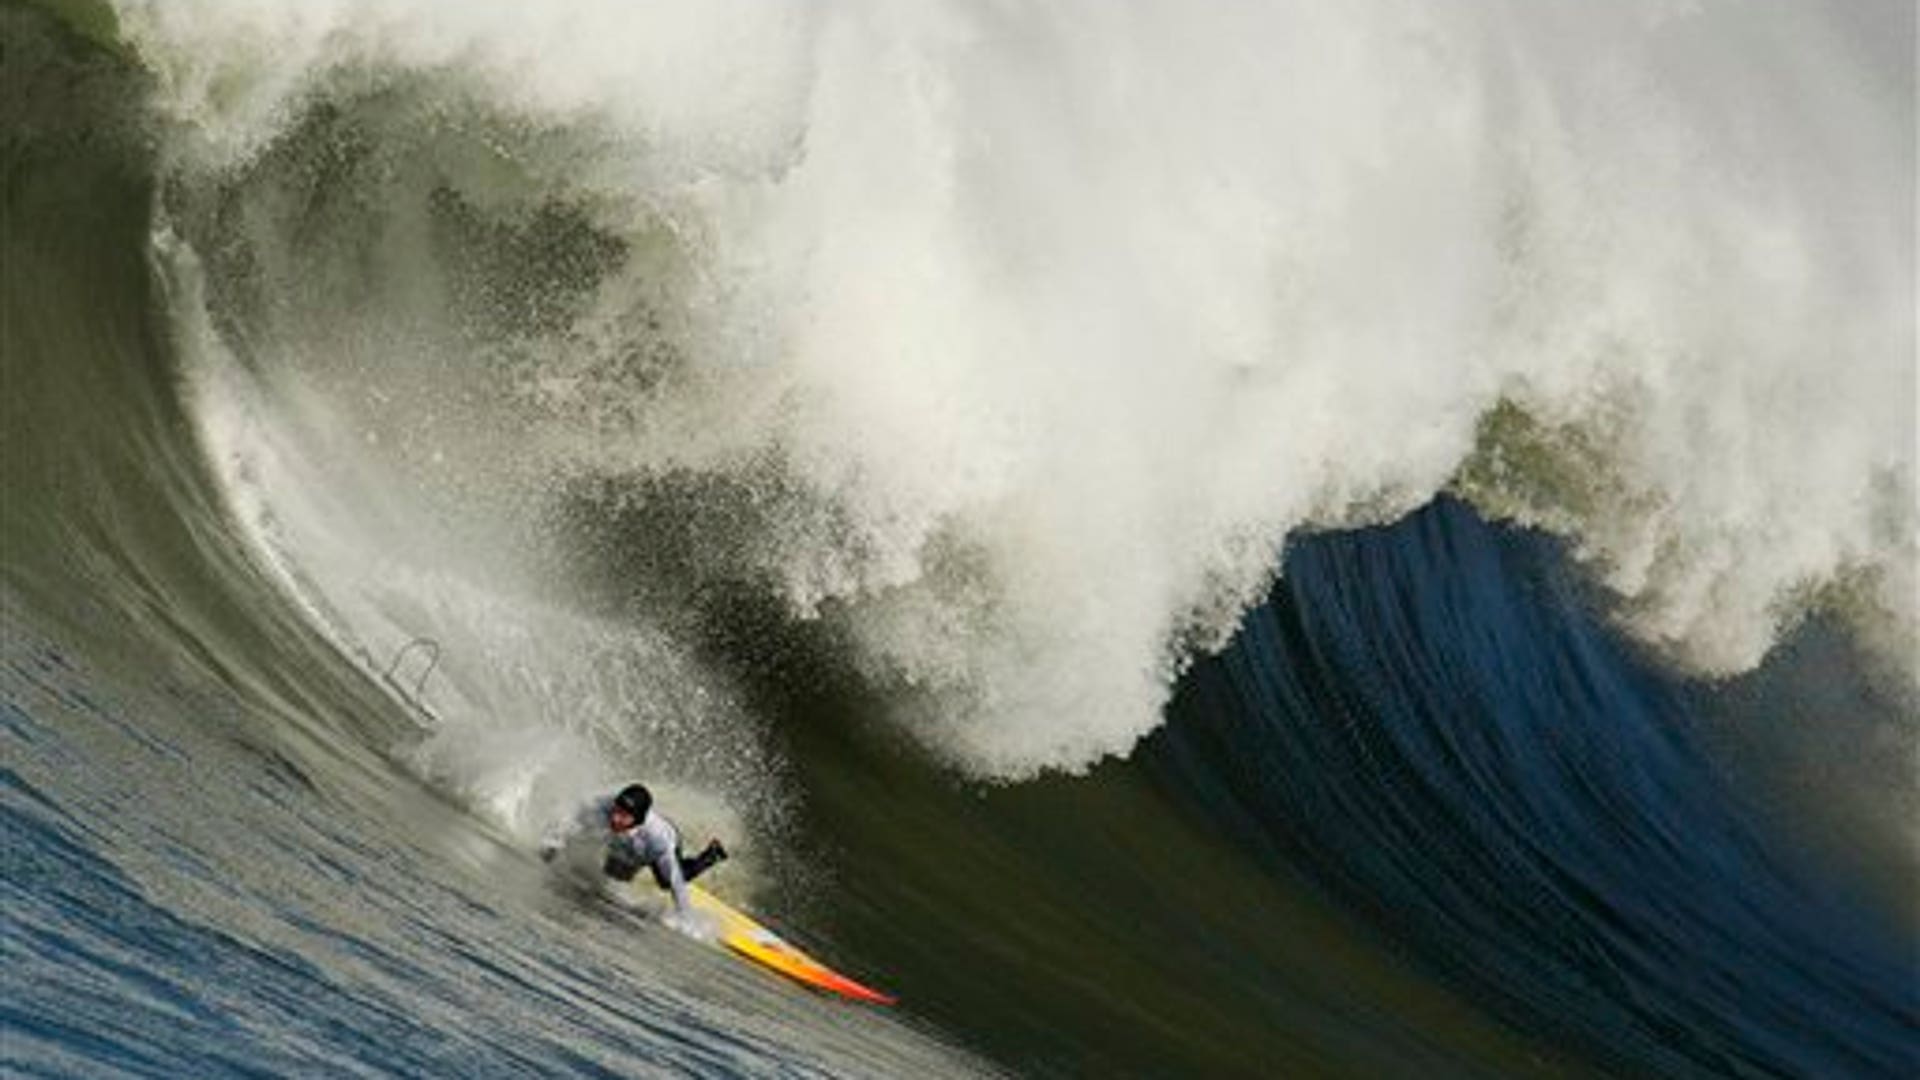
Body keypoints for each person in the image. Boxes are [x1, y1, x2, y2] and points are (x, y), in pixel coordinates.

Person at [541, 783, 727, 914]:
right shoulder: (602, 805)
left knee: (665, 882)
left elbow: (676, 882)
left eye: (624, 816)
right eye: (616, 811)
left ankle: (711, 855)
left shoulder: (657, 839)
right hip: (628, 843)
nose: (616, 819)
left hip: (664, 843)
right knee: (613, 876)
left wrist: (687, 919)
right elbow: (572, 817)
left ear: (637, 818)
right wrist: (552, 846)